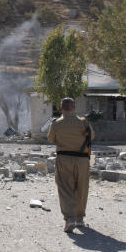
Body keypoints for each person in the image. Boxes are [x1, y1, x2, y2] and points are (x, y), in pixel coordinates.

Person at [47, 97, 94, 232]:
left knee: (65, 189)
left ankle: (70, 219)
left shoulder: (56, 124)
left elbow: (51, 139)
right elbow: (92, 137)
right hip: (82, 160)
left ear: (61, 108)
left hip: (64, 159)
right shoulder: (84, 122)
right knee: (82, 188)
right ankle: (79, 219)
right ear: (74, 108)